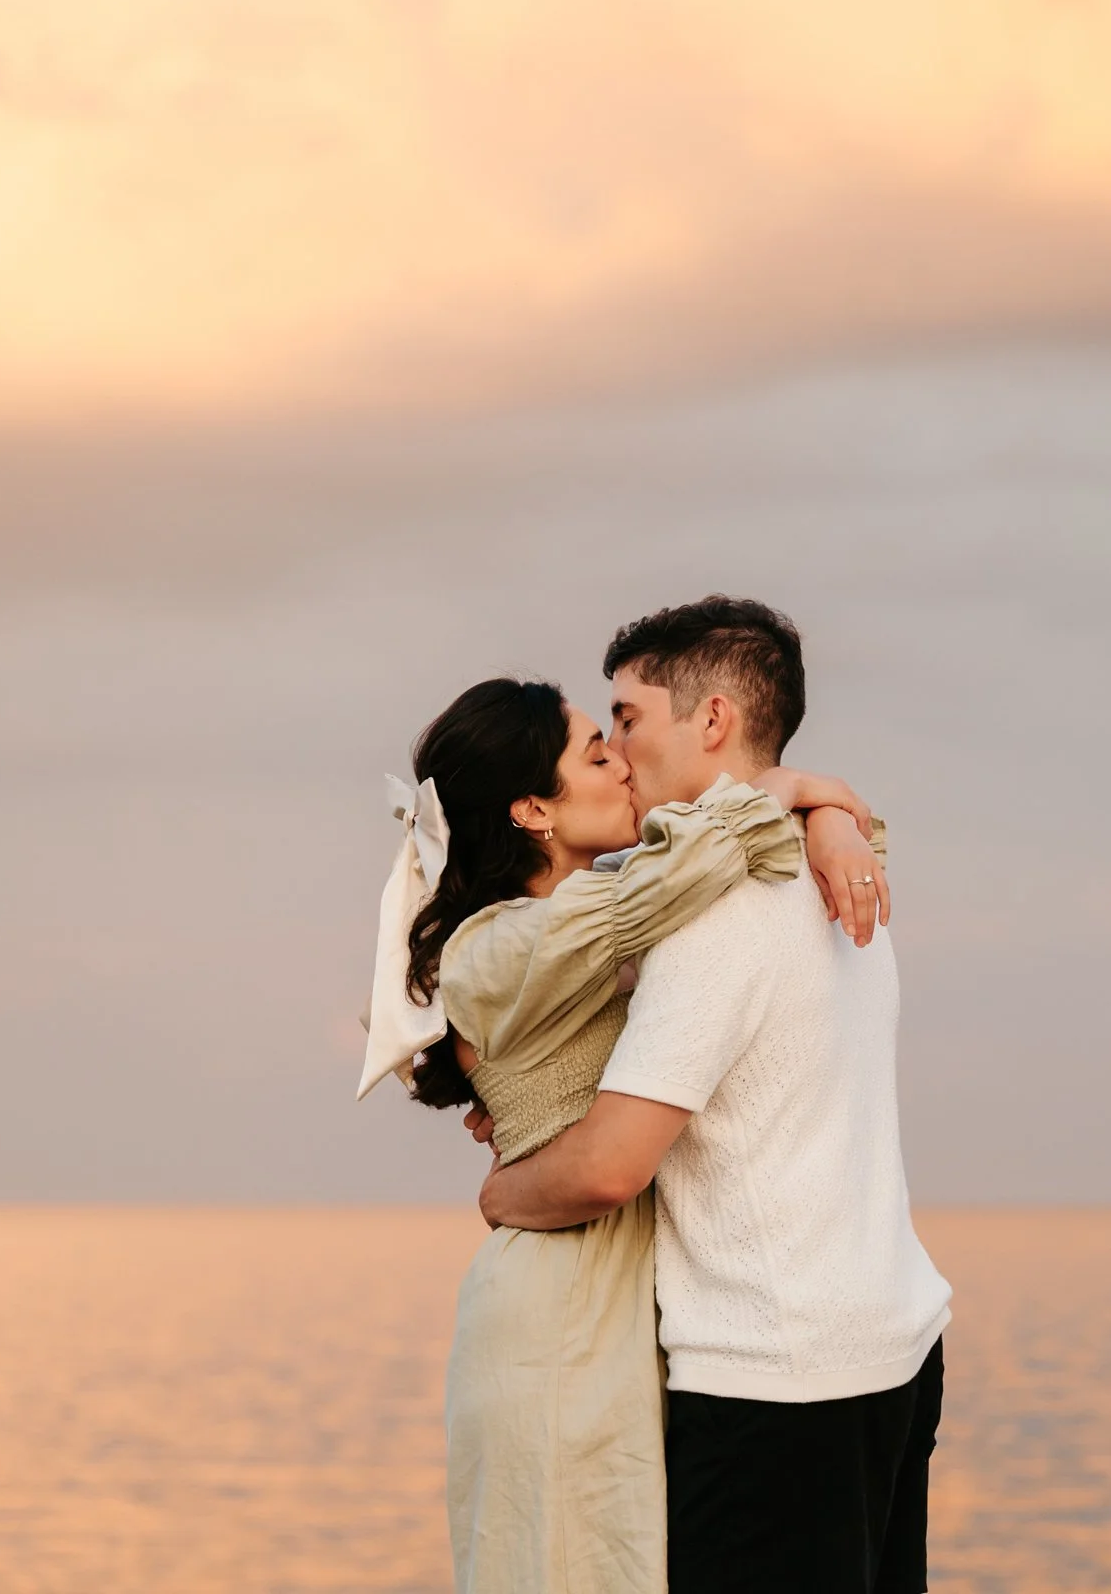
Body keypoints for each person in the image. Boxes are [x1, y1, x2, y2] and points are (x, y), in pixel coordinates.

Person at [355, 674, 887, 1593]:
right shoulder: (499, 945)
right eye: (596, 753)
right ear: (533, 809)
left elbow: (769, 873)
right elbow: (691, 865)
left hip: (624, 1300)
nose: (623, 766)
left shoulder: (611, 915)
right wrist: (793, 787)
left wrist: (831, 817)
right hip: (560, 1308)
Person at [479, 597, 952, 1594]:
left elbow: (610, 1167)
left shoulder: (716, 913)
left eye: (627, 718)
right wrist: (823, 806)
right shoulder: (837, 877)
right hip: (894, 1347)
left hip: (772, 1381)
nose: (615, 753)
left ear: (713, 719)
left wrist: (504, 1192)